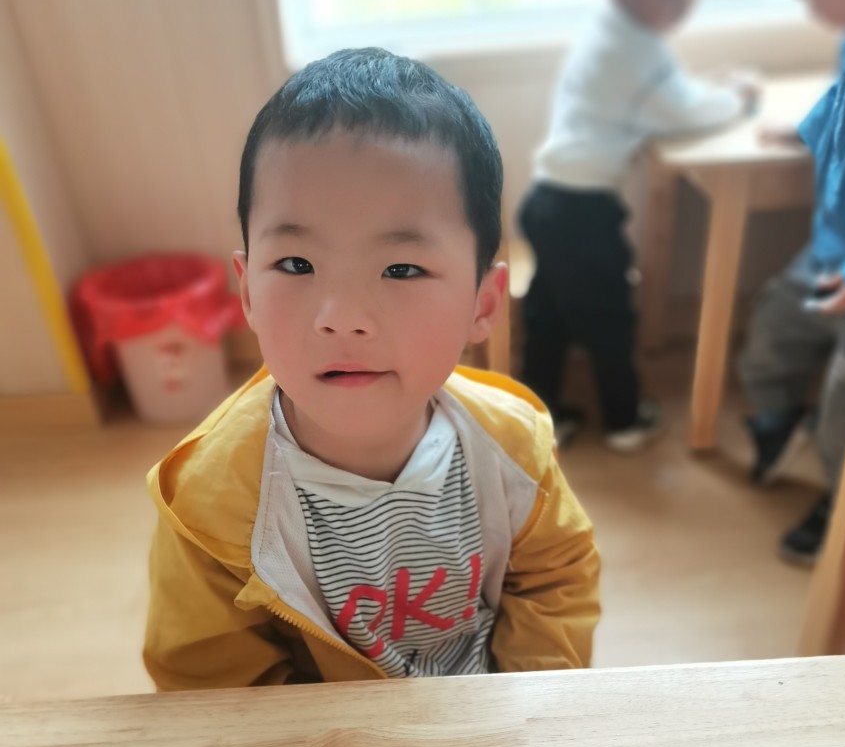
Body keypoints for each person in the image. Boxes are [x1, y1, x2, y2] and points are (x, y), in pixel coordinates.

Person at [144, 47, 601, 691]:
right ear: (247, 291)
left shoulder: (514, 448)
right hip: (323, 744)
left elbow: (556, 581)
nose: (342, 318)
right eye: (297, 265)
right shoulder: (207, 503)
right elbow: (212, 681)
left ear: (482, 304)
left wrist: (518, 707)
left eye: (402, 269)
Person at [519, 0, 756, 451]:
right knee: (609, 319)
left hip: (550, 202)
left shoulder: (614, 34)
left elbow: (665, 97)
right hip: (581, 214)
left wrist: (706, 90)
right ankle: (624, 421)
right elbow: (684, 111)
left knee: (550, 318)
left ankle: (542, 417)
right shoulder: (631, 48)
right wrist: (738, 96)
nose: (682, 4)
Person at [739, 0, 845, 565]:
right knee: (773, 326)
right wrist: (804, 129)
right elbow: (843, 99)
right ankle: (780, 422)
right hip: (830, 247)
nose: (811, 9)